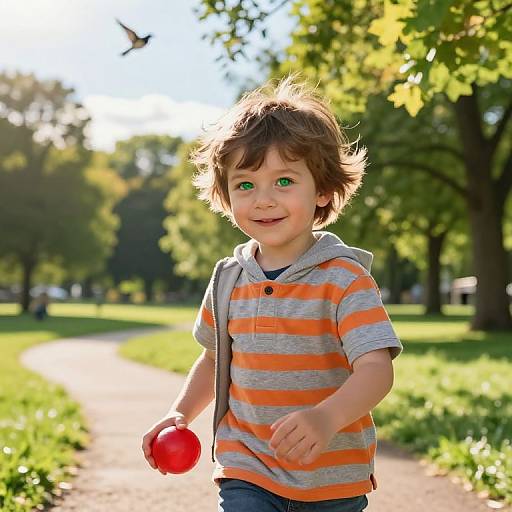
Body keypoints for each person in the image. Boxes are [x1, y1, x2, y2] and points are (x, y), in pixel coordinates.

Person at [142, 75, 403, 511]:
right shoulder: (227, 278)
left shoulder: (344, 279)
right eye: (245, 185)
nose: (263, 199)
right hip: (247, 467)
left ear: (322, 191)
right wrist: (180, 413)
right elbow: (213, 360)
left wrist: (326, 418)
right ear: (225, 197)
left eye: (284, 181)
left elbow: (377, 370)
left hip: (331, 478)